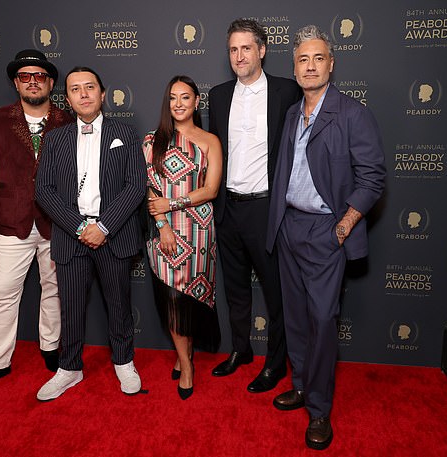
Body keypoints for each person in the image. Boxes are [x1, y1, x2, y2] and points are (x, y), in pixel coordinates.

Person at [266, 25, 386, 450]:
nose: (310, 66)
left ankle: (319, 410)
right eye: (302, 59)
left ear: (331, 65)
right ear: (294, 67)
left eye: (318, 58)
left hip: (324, 232)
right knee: (296, 318)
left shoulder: (352, 114)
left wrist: (344, 224)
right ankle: (300, 385)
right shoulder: (290, 113)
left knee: (321, 320)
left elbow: (373, 178)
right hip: (289, 228)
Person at [0, 49, 73, 396]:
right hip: (11, 224)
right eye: (25, 76)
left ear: (51, 83)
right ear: (16, 82)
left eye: (39, 76)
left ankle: (51, 349)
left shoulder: (68, 121)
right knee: (2, 294)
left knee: (54, 290)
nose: (33, 81)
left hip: (58, 223)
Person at [35, 66, 146, 401]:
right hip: (72, 236)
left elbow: (135, 185)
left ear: (102, 93)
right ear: (67, 98)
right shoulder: (54, 139)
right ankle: (69, 368)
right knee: (70, 307)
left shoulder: (125, 134)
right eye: (75, 89)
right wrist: (82, 227)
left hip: (113, 234)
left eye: (89, 87)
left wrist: (104, 227)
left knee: (119, 305)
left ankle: (124, 361)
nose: (83, 94)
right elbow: (45, 191)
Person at [208, 18, 302, 392]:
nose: (239, 56)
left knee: (276, 292)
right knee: (235, 289)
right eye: (233, 49)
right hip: (228, 207)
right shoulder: (217, 95)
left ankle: (277, 363)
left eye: (246, 48)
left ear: (262, 50)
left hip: (267, 209)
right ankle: (241, 350)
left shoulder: (287, 91)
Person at [143, 75, 222, 400]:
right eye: (173, 97)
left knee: (189, 298)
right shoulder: (152, 141)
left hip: (200, 231)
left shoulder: (209, 141)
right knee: (172, 298)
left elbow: (211, 189)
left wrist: (172, 203)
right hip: (164, 231)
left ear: (195, 102)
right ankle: (187, 366)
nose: (178, 103)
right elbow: (150, 189)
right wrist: (162, 223)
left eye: (185, 97)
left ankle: (184, 356)